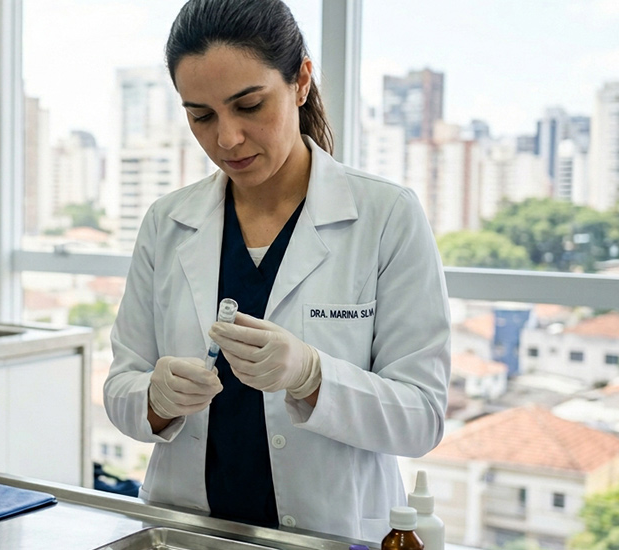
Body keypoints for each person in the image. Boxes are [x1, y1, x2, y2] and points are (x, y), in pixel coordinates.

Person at [103, 0, 451, 541]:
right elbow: (121, 387)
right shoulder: (167, 222)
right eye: (201, 115)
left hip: (330, 532)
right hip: (188, 531)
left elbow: (421, 416)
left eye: (249, 105)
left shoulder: (386, 216)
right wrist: (154, 398)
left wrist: (314, 376)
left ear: (301, 81)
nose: (227, 139)